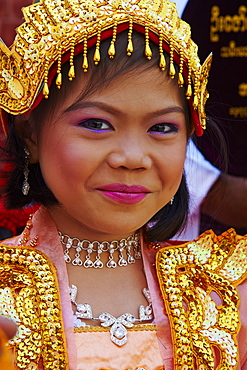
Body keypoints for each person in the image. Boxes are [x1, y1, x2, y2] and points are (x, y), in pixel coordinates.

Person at [0, 1, 247, 370]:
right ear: (30, 133)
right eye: (97, 124)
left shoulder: (225, 291)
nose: (133, 157)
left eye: (162, 128)